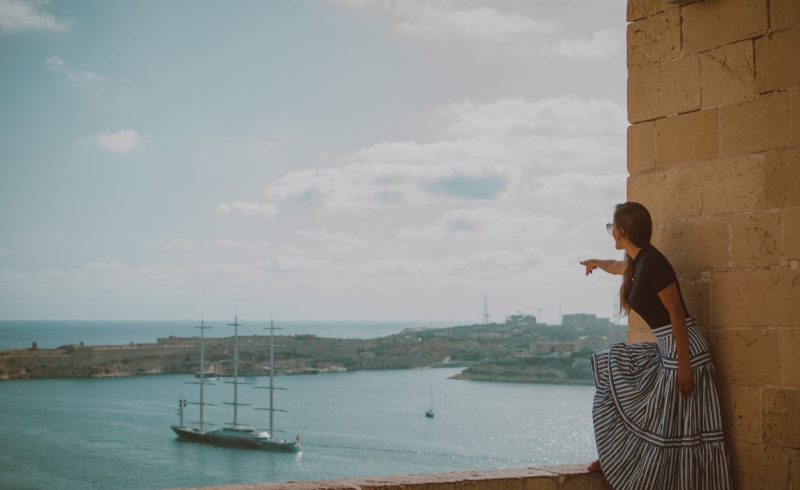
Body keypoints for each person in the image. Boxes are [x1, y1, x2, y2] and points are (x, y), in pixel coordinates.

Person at [579, 201, 732, 490]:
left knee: (680, 432)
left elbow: (676, 311)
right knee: (612, 365)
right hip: (669, 349)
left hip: (684, 352)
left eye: (613, 228)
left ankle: (622, 460)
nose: (612, 234)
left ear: (622, 231)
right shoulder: (638, 262)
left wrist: (685, 366)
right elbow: (617, 267)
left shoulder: (654, 262)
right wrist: (596, 263)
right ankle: (616, 457)